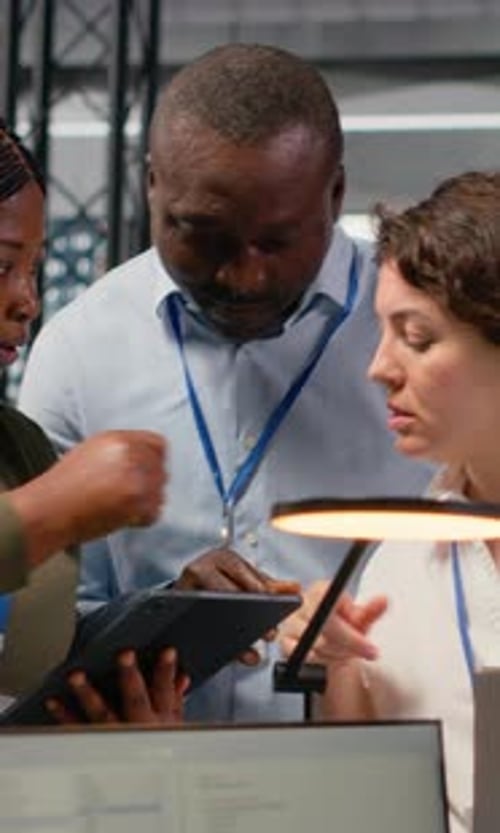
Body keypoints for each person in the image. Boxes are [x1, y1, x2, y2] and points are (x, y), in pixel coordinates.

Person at [18, 43, 432, 723]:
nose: (244, 277)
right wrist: (160, 617)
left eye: (276, 241)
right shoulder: (79, 348)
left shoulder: (420, 337)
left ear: (334, 194)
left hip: (384, 760)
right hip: (156, 776)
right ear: (152, 185)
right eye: (203, 235)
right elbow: (45, 631)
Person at [280, 170, 500, 833]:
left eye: (417, 337)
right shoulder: (398, 560)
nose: (379, 369)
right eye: (383, 332)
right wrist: (336, 662)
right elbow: (365, 818)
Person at [0, 117, 188, 724]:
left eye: (34, 268)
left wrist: (149, 633)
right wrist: (45, 514)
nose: (26, 300)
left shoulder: (19, 445)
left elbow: (28, 665)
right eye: (2, 266)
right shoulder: (41, 492)